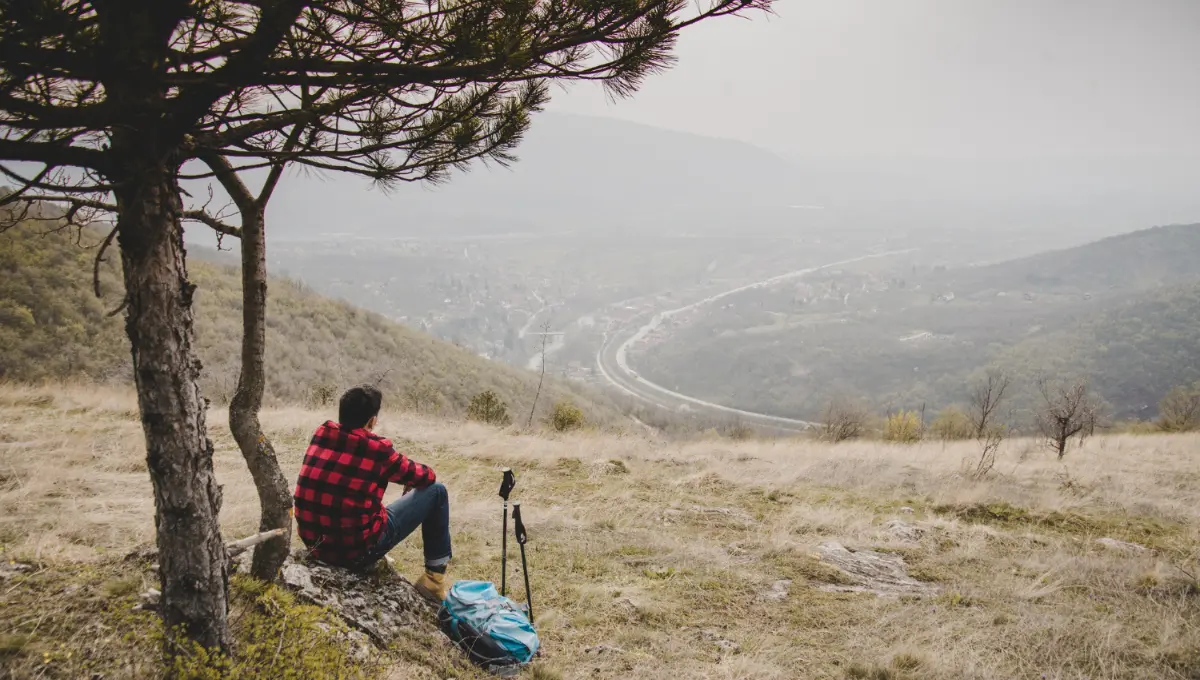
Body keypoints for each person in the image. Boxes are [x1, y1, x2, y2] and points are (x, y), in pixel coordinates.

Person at [294, 385, 452, 602]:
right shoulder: (377, 449)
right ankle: (433, 582)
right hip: (354, 552)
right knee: (437, 492)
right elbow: (427, 477)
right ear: (372, 421)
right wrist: (411, 482)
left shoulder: (322, 433)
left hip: (315, 544)